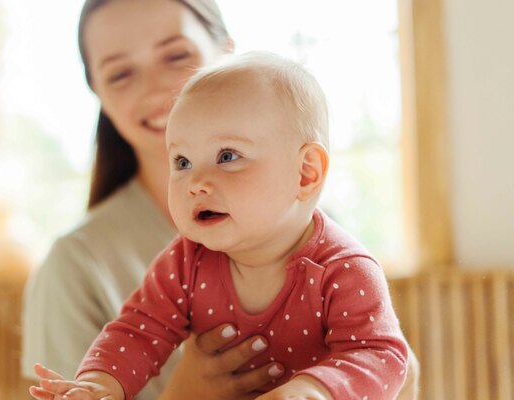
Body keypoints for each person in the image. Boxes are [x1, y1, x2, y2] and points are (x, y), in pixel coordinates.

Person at [21, 0, 419, 399]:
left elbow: (381, 355)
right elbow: (139, 330)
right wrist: (99, 383)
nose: (196, 182)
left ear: (305, 173)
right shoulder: (184, 261)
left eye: (227, 156)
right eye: (182, 162)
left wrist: (312, 390)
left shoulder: (342, 264)